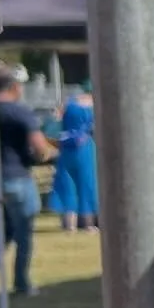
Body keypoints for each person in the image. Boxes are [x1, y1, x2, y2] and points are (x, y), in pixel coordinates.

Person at [0, 66, 55, 297]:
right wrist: (47, 155)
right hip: (18, 177)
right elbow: (40, 147)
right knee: (23, 232)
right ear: (14, 87)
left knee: (6, 226)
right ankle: (22, 283)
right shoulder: (21, 113)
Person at [48, 84, 99, 232]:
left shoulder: (68, 103)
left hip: (66, 147)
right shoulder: (92, 105)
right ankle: (89, 224)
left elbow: (56, 124)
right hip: (85, 147)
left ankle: (70, 225)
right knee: (86, 184)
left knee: (68, 186)